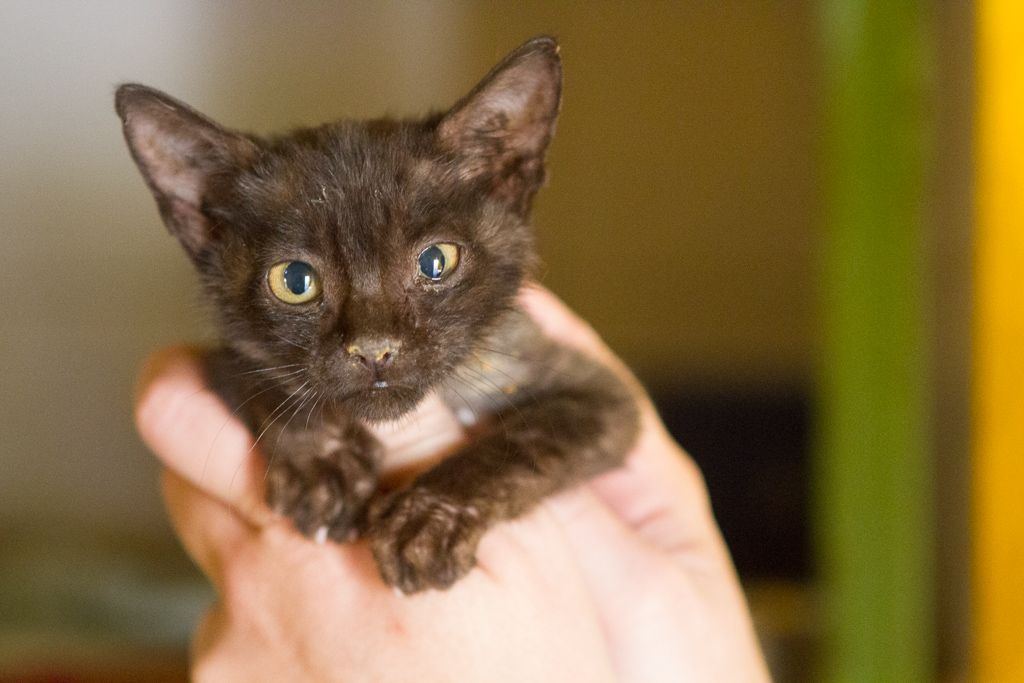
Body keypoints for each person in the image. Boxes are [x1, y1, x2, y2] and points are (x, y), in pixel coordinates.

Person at [135, 286, 771, 682]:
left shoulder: (503, 342)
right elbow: (228, 365)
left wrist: (459, 499)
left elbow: (602, 411)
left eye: (432, 263)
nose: (375, 339)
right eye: (298, 282)